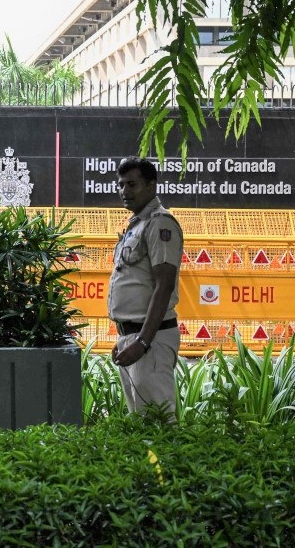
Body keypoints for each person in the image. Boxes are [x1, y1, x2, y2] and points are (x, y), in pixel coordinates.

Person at [109, 156, 183, 419]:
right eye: (121, 185)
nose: (124, 192)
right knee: (141, 424)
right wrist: (127, 338)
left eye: (132, 184)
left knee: (158, 424)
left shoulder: (160, 223)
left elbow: (163, 286)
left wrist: (142, 341)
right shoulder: (137, 225)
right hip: (134, 338)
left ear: (151, 186)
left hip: (150, 339)